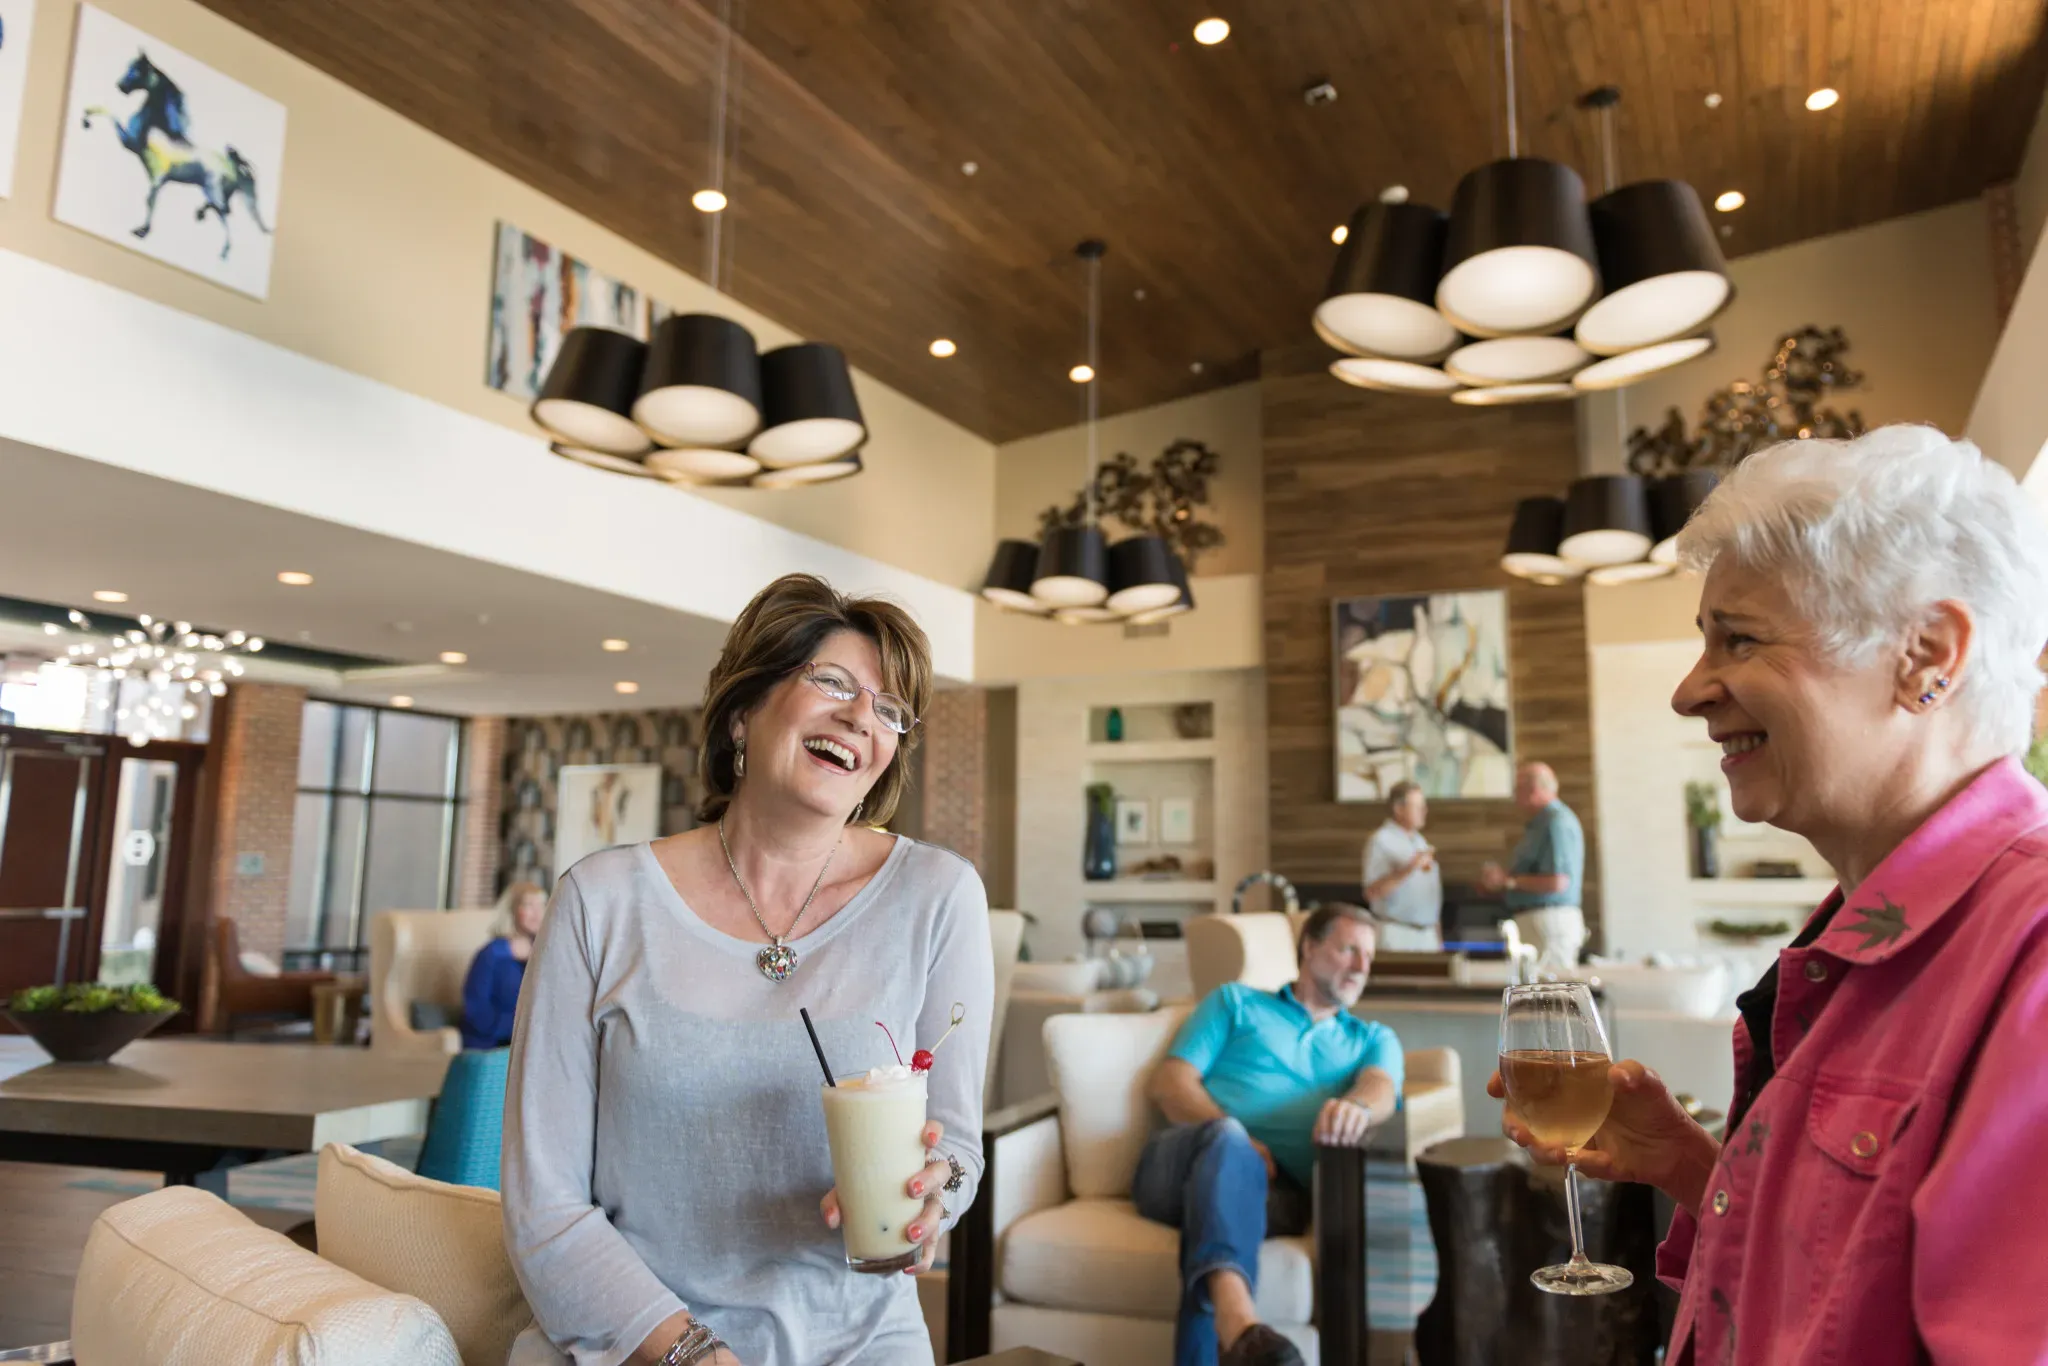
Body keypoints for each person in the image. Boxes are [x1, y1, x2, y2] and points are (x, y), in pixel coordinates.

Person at [1490, 426, 2048, 1362]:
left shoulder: (2029, 952)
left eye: (1738, 638)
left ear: (1928, 654)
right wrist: (1691, 1165)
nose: (1689, 690)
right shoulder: (1858, 930)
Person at [502, 574, 993, 1366]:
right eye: (832, 682)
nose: (860, 717)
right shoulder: (600, 902)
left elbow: (958, 1147)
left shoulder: (938, 897)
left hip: (863, 1341)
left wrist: (936, 1195)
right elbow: (544, 1207)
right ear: (743, 710)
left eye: (889, 708)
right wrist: (691, 1352)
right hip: (637, 1345)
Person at [1140, 905, 1403, 1366]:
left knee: (1217, 1209)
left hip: (1276, 1194)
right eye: (1348, 950)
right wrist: (1236, 1136)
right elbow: (1170, 1083)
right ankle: (1239, 1326)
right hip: (1179, 1163)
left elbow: (1380, 1087)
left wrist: (1355, 1106)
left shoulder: (1370, 1037)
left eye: (1369, 956)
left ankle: (1238, 1325)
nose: (1362, 967)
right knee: (1224, 1139)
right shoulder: (1235, 1003)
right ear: (1309, 947)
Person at [1478, 761, 1585, 973]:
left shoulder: (1556, 822)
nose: (1514, 795)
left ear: (1534, 790)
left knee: (1554, 995)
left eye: (1517, 789)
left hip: (1550, 923)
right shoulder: (1540, 823)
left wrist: (1508, 881)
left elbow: (1558, 881)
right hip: (1538, 922)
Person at [460, 880, 546, 1050]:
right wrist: (520, 1029)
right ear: (512, 911)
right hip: (492, 1047)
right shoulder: (491, 954)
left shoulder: (544, 954)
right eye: (529, 905)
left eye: (541, 905)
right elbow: (476, 1012)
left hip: (530, 1045)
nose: (538, 913)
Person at [1362, 780, 1442, 951]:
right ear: (1398, 809)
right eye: (1417, 806)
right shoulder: (1381, 841)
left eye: (1424, 806)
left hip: (1427, 936)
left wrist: (1438, 938)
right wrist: (1409, 868)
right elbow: (1372, 893)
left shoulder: (1422, 843)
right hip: (1396, 933)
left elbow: (1431, 898)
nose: (1424, 811)